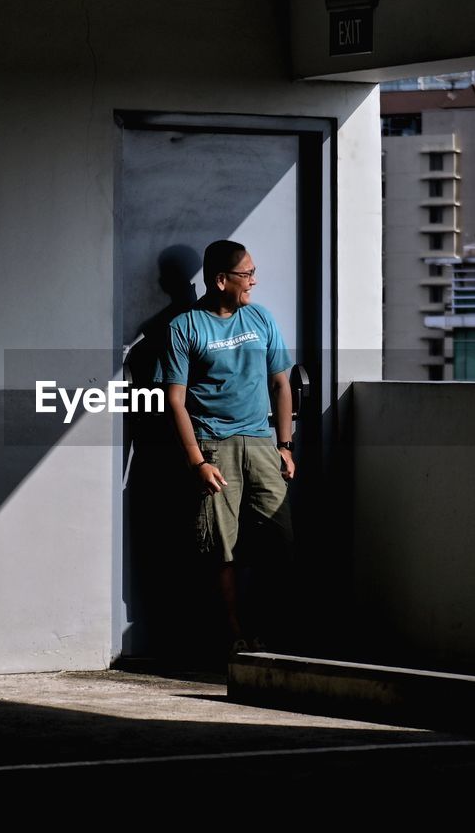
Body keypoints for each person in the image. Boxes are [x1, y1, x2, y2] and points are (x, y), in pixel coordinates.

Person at [159, 239, 295, 656]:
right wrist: (197, 460)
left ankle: (271, 633)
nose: (253, 281)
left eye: (253, 272)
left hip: (261, 443)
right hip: (213, 445)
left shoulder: (260, 318)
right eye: (246, 274)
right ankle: (233, 636)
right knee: (222, 549)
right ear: (221, 280)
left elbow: (281, 383)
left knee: (279, 541)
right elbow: (175, 401)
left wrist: (285, 445)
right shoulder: (184, 328)